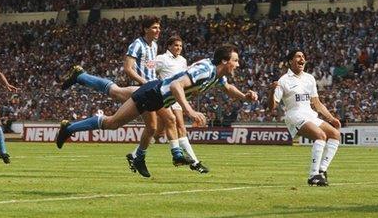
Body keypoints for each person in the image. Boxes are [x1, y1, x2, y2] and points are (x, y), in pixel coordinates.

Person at [55, 44, 258, 175]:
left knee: (117, 93)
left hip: (156, 95)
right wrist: (190, 111)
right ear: (225, 61)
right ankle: (69, 129)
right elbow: (177, 86)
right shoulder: (205, 70)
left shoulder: (216, 73)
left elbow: (229, 87)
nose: (237, 64)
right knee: (112, 123)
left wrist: (244, 96)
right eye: (235, 60)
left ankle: (80, 77)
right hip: (152, 95)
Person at [127, 36, 210, 174]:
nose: (178, 48)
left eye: (180, 46)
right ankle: (194, 162)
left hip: (178, 95)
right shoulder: (161, 59)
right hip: (164, 94)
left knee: (158, 131)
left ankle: (135, 155)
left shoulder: (183, 60)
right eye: (176, 45)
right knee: (179, 125)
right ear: (169, 46)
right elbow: (148, 70)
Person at [267, 50, 341, 186]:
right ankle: (313, 176)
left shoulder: (309, 78)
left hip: (310, 114)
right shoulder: (283, 80)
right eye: (298, 56)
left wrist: (331, 118)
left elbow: (317, 103)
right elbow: (271, 106)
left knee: (335, 134)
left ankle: (321, 170)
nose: (302, 59)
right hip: (294, 115)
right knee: (321, 135)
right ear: (290, 61)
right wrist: (271, 91)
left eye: (303, 57)